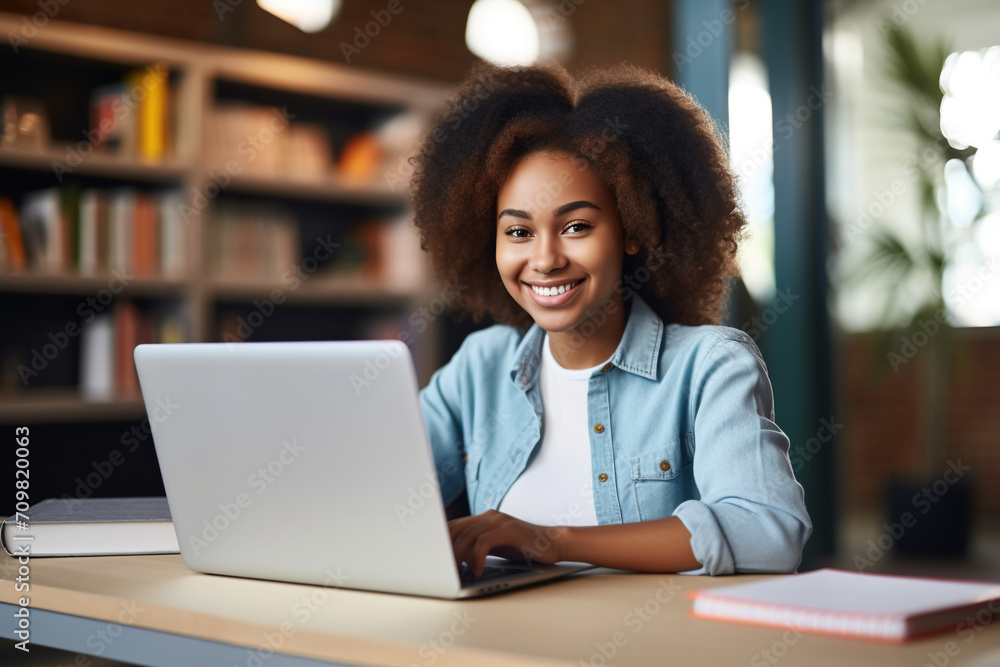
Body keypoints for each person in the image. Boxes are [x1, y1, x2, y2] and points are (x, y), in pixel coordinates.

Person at [408, 61, 811, 577]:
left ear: (633, 228)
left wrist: (551, 541)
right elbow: (379, 495)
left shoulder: (708, 367)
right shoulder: (479, 369)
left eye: (576, 226)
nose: (546, 259)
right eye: (518, 232)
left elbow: (769, 533)